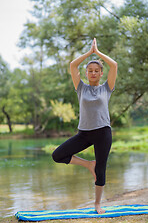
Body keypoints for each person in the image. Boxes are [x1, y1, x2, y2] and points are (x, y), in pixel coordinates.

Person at [52, 38, 117, 214]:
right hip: (84, 134)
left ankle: (97, 204)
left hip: (103, 132)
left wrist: (99, 53)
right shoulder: (80, 88)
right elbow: (73, 66)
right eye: (90, 71)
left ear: (101, 73)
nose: (93, 73)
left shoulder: (107, 88)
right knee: (57, 155)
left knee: (101, 169)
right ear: (86, 73)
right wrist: (89, 53)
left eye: (96, 71)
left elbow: (115, 65)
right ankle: (89, 165)